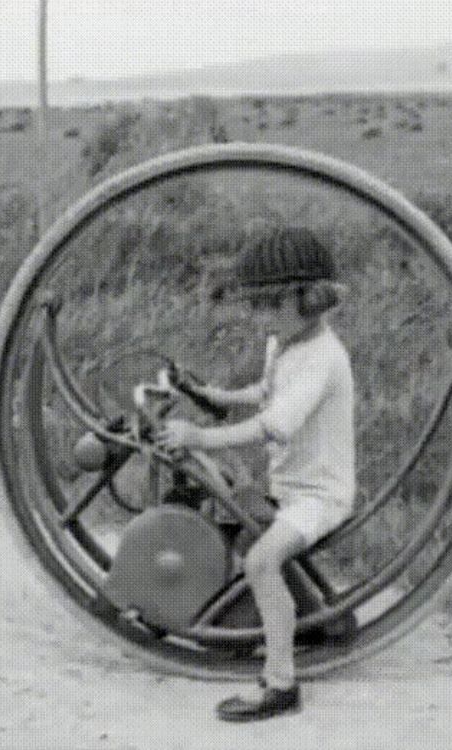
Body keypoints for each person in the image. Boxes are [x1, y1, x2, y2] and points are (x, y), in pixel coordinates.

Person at [158, 224, 355, 722]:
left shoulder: (323, 358)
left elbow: (275, 425)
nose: (256, 316)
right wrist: (216, 397)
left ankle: (280, 683)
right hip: (288, 486)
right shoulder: (284, 342)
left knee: (261, 562)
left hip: (319, 497)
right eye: (254, 304)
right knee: (230, 506)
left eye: (266, 304)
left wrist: (200, 437)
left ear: (305, 299)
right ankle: (303, 618)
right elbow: (265, 395)